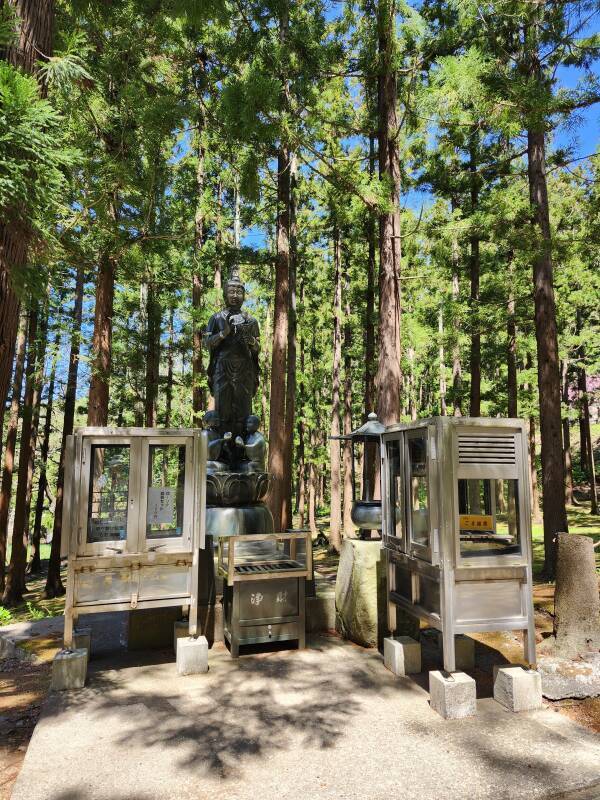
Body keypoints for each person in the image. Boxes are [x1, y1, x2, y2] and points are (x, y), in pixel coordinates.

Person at [204, 272, 260, 437]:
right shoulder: (216, 318)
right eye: (231, 291)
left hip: (244, 368)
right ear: (224, 294)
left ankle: (244, 444)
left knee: (243, 408)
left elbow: (257, 348)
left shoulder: (251, 320)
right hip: (222, 366)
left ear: (244, 295)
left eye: (239, 292)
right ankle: (222, 445)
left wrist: (250, 340)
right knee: (223, 408)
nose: (235, 295)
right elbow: (208, 343)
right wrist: (223, 333)